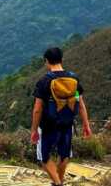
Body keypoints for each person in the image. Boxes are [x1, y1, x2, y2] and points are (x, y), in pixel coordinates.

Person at [30, 47, 93, 186]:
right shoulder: (73, 79)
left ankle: (58, 183)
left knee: (45, 157)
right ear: (62, 59)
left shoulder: (44, 81)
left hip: (48, 125)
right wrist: (86, 125)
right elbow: (80, 104)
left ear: (46, 61)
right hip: (67, 123)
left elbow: (37, 109)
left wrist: (34, 130)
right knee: (64, 155)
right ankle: (59, 181)